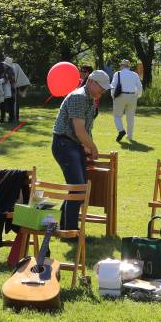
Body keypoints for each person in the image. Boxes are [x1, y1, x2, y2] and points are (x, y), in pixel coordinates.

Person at [51, 70, 110, 229]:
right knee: (78, 189)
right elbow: (79, 130)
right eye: (101, 87)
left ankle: (63, 226)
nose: (103, 91)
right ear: (91, 82)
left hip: (73, 145)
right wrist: (93, 148)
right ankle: (70, 230)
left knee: (79, 188)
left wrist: (86, 146)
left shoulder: (89, 99)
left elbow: (85, 129)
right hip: (64, 144)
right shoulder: (79, 97)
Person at [109, 59, 144, 143]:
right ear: (129, 66)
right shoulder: (134, 74)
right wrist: (138, 95)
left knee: (117, 116)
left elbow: (113, 86)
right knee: (131, 117)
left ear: (122, 66)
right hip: (132, 96)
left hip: (120, 96)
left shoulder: (117, 74)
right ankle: (129, 136)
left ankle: (121, 130)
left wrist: (113, 95)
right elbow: (139, 86)